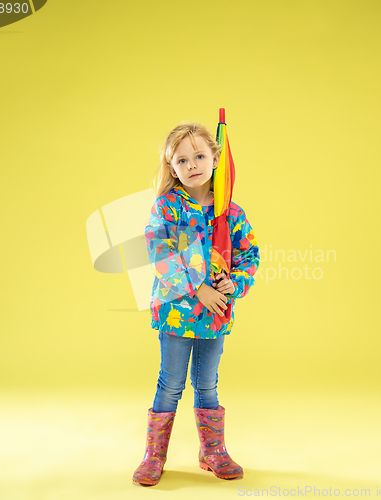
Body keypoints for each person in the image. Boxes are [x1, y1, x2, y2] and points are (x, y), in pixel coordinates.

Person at [132, 121, 260, 486]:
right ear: (172, 168)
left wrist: (233, 283)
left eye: (199, 156)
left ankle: (212, 451)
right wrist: (197, 289)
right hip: (176, 313)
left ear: (215, 158)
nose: (192, 165)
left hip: (215, 316)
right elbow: (160, 253)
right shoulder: (167, 208)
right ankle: (154, 456)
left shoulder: (230, 212)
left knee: (207, 384)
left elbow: (250, 254)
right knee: (171, 383)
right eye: (182, 160)